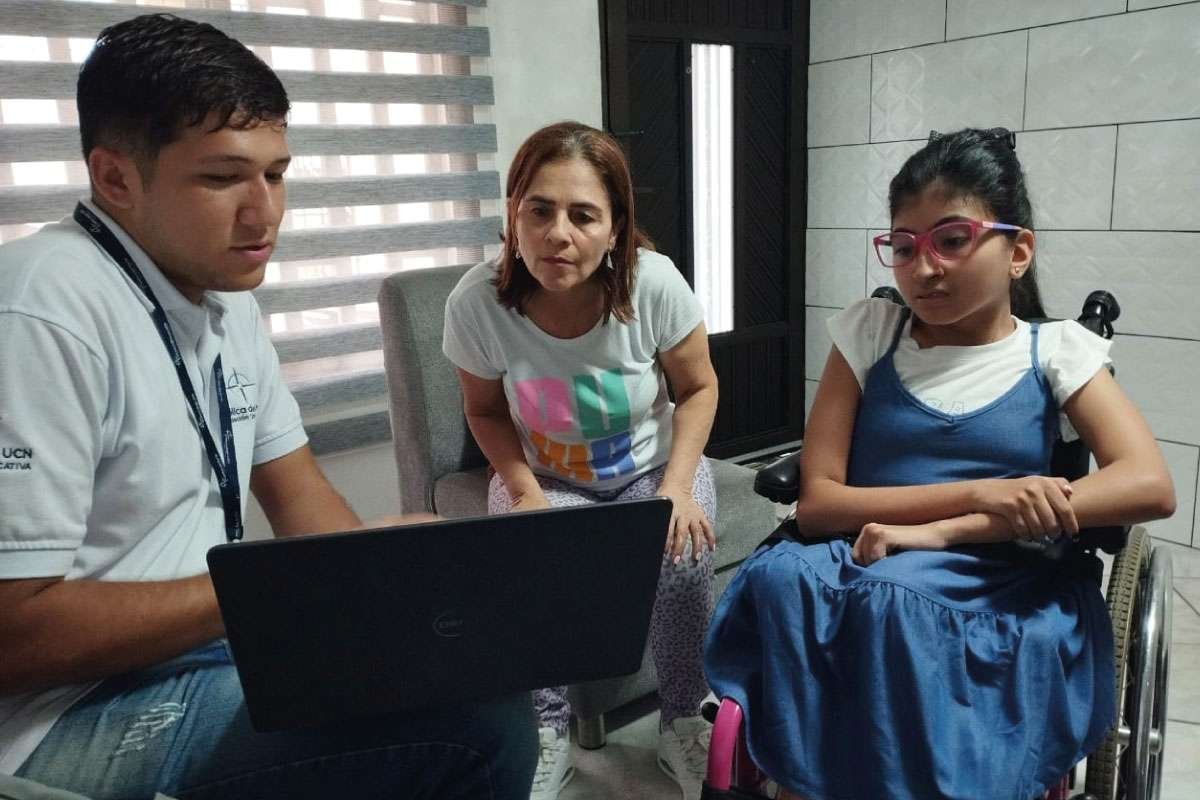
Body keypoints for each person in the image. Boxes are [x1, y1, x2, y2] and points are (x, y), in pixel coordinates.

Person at [0, 14, 536, 800]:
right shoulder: (42, 308)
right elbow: (13, 632)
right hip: (64, 718)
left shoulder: (225, 302)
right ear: (115, 179)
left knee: (462, 667)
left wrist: (385, 585)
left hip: (201, 655)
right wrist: (272, 593)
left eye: (276, 174)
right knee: (478, 724)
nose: (265, 214)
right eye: (222, 179)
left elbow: (298, 493)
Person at [704, 127, 1176, 800]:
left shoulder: (1056, 351)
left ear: (1018, 251)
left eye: (952, 240)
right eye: (904, 246)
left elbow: (1150, 485)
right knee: (781, 581)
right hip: (855, 550)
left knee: (896, 604)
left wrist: (952, 529)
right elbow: (821, 505)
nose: (924, 269)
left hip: (994, 570)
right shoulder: (871, 332)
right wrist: (983, 493)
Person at [442, 121, 718, 800]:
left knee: (682, 555)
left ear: (616, 227)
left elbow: (698, 388)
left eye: (583, 215)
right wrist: (523, 492)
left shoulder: (654, 285)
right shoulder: (477, 302)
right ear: (513, 214)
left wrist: (678, 487)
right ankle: (545, 731)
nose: (557, 234)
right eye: (539, 210)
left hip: (653, 469)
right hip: (546, 477)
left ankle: (684, 718)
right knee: (529, 563)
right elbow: (485, 412)